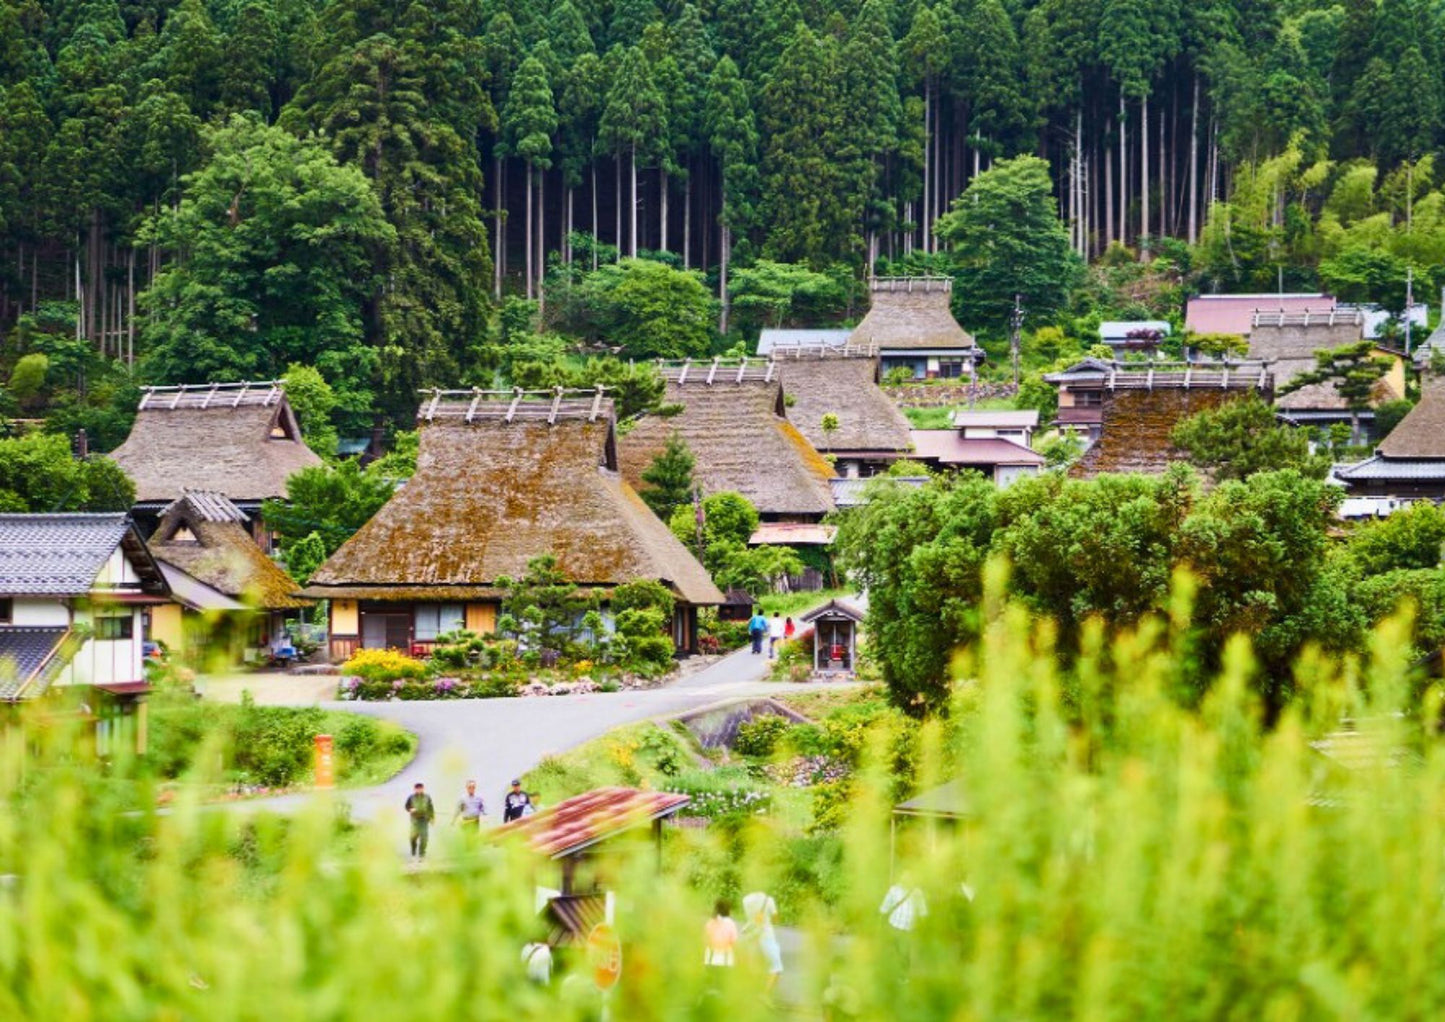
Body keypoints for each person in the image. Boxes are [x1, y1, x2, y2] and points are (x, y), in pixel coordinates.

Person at [742, 890, 783, 993]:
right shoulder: (769, 900)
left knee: (754, 966)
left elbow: (749, 918)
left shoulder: (745, 899)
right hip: (767, 936)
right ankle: (765, 994)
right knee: (776, 967)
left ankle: (752, 992)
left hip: (752, 936)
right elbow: (775, 920)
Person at [704, 899, 739, 967]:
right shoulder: (730, 923)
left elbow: (705, 939)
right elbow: (733, 941)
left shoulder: (710, 922)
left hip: (711, 958)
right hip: (725, 959)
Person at [404, 782, 435, 859]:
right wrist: (411, 809)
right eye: (417, 788)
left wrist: (432, 818)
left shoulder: (427, 797)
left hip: (424, 820)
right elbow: (406, 806)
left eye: (420, 788)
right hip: (414, 820)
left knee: (424, 837)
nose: (419, 790)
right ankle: (413, 851)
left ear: (423, 788)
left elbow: (431, 808)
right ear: (414, 789)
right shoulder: (411, 797)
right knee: (413, 837)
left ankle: (422, 854)